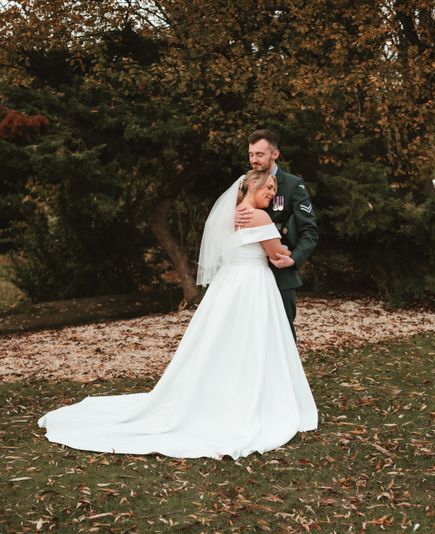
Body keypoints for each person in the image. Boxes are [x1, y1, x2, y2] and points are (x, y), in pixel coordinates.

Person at [38, 170, 317, 459]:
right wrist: (285, 248)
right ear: (253, 184)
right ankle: (253, 400)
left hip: (229, 286)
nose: (272, 194)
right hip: (252, 286)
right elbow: (276, 255)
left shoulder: (232, 214)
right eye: (268, 187)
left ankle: (224, 395)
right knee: (252, 343)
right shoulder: (260, 217)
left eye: (274, 189)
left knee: (223, 345)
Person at [236, 129, 318, 340]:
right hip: (248, 274)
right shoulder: (243, 183)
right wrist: (232, 219)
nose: (254, 160)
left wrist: (294, 259)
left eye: (260, 154)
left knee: (282, 335)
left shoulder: (292, 185)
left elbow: (309, 231)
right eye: (251, 154)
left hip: (281, 273)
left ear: (275, 154)